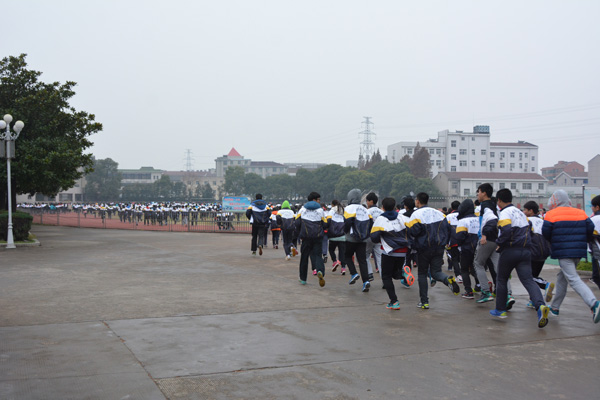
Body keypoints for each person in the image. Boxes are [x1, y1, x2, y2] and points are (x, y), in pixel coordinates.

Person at [490, 188, 550, 328]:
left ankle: (500, 309)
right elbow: (530, 230)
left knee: (502, 279)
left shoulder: (505, 212)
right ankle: (540, 306)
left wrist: (499, 244)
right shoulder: (521, 213)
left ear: (499, 200)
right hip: (526, 251)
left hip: (510, 250)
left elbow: (505, 230)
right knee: (528, 280)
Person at [542, 190, 600, 323]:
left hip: (563, 252)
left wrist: (555, 241)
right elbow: (590, 227)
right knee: (562, 277)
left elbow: (546, 233)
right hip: (578, 251)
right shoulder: (580, 212)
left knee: (573, 279)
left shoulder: (551, 214)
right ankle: (555, 307)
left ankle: (593, 304)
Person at [406, 192, 460, 309]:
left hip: (423, 248)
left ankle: (424, 302)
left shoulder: (416, 214)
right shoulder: (439, 213)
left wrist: (412, 245)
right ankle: (447, 280)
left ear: (417, 201)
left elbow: (412, 232)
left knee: (422, 274)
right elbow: (448, 229)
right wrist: (445, 243)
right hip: (439, 247)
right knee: (436, 272)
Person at [370, 197, 412, 310]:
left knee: (386, 276)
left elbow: (374, 237)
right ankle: (404, 274)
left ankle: (394, 301)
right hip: (403, 251)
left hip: (388, 251)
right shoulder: (402, 217)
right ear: (394, 206)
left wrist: (381, 237)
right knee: (395, 274)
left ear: (383, 207)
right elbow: (411, 231)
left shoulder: (381, 219)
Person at [472, 184, 511, 305]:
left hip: (487, 240)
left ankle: (485, 292)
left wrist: (484, 234)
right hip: (496, 240)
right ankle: (508, 294)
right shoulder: (495, 205)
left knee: (478, 263)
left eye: (478, 192)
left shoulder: (485, 205)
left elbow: (492, 220)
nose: (477, 194)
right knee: (499, 268)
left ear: (484, 193)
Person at [523, 200, 554, 306]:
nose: (523, 212)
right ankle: (533, 300)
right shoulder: (543, 221)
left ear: (531, 211)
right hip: (544, 252)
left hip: (533, 252)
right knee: (534, 276)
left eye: (525, 210)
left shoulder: (527, 220)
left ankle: (545, 285)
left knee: (528, 277)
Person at [295, 192, 327, 287]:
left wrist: (300, 232)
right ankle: (320, 270)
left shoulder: (302, 209)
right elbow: (325, 224)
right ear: (314, 200)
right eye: (318, 199)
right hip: (318, 237)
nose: (319, 201)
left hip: (306, 237)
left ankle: (303, 279)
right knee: (318, 255)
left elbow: (297, 223)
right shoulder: (320, 210)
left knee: (304, 257)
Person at [344, 188, 372, 292]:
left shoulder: (349, 208)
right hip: (363, 239)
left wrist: (345, 231)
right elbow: (371, 223)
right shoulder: (364, 209)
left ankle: (353, 273)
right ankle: (366, 281)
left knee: (347, 256)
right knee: (362, 260)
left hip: (351, 238)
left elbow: (347, 222)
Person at [453, 199, 480, 299]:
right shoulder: (478, 219)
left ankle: (468, 291)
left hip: (466, 249)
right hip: (479, 249)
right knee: (476, 268)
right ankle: (480, 285)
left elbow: (459, 237)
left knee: (464, 270)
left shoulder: (462, 221)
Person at [365, 192, 383, 281]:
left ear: (371, 201)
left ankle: (369, 274)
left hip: (369, 236)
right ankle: (384, 279)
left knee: (366, 256)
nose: (366, 203)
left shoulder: (367, 211)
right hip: (379, 237)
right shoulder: (381, 212)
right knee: (380, 258)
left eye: (367, 201)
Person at [327, 199, 347, 275]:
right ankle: (343, 268)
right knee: (342, 252)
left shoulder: (331, 211)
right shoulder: (343, 211)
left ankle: (335, 261)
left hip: (333, 235)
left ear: (332, 204)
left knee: (331, 249)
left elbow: (328, 221)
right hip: (342, 235)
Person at [445, 201, 462, 282]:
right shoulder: (463, 215)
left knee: (454, 259)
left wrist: (446, 241)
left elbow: (446, 230)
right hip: (463, 240)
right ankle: (464, 274)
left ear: (451, 207)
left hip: (453, 241)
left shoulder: (448, 216)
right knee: (462, 258)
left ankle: (458, 275)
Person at [589, 195, 600, 290]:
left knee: (596, 276)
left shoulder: (593, 220)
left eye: (592, 206)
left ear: (597, 207)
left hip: (597, 252)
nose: (591, 208)